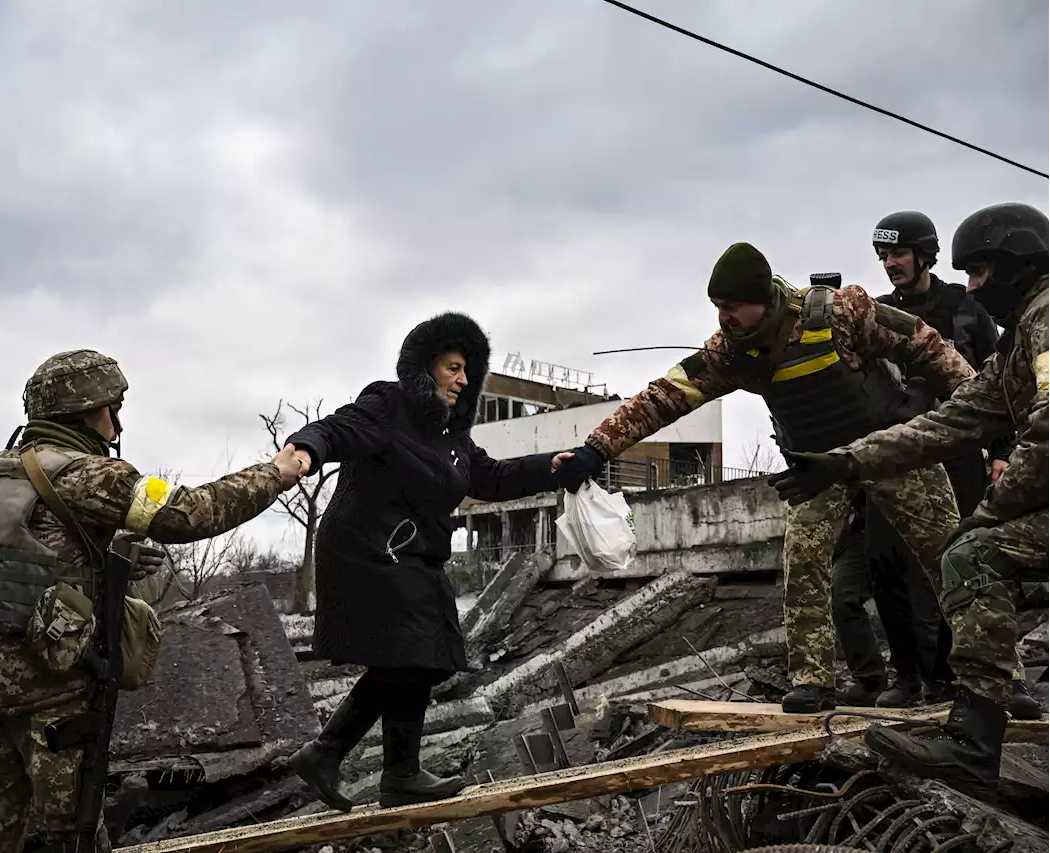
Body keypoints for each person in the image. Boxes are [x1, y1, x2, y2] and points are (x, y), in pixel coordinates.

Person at [555, 242, 974, 713]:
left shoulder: (838, 311)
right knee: (803, 562)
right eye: (717, 308)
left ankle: (994, 676)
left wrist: (978, 415)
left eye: (731, 307)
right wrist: (596, 449)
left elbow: (926, 344)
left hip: (890, 451)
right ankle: (813, 681)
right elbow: (663, 397)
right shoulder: (730, 354)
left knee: (953, 557)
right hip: (818, 470)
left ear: (761, 299)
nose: (723, 318)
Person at [0, 350, 304, 852]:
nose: (116, 420)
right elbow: (189, 512)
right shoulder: (86, 475)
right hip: (52, 695)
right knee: (70, 834)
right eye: (113, 407)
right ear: (91, 409)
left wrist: (104, 561)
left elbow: (15, 566)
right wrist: (274, 472)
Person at [769, 202, 1050, 797]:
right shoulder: (1021, 333)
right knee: (941, 558)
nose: (972, 287)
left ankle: (975, 740)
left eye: (980, 273)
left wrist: (995, 508)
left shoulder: (1044, 316)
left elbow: (1047, 425)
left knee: (972, 553)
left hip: (1018, 484)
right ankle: (961, 710)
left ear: (1018, 263)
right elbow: (953, 419)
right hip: (954, 472)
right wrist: (847, 462)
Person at [283, 312, 573, 811]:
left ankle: (367, 766)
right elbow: (336, 429)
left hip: (410, 557)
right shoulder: (387, 405)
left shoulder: (451, 437)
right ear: (425, 366)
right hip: (365, 551)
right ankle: (375, 767)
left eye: (468, 373)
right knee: (413, 650)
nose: (462, 381)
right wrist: (305, 451)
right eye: (453, 368)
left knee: (418, 656)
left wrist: (551, 467)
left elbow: (491, 478)